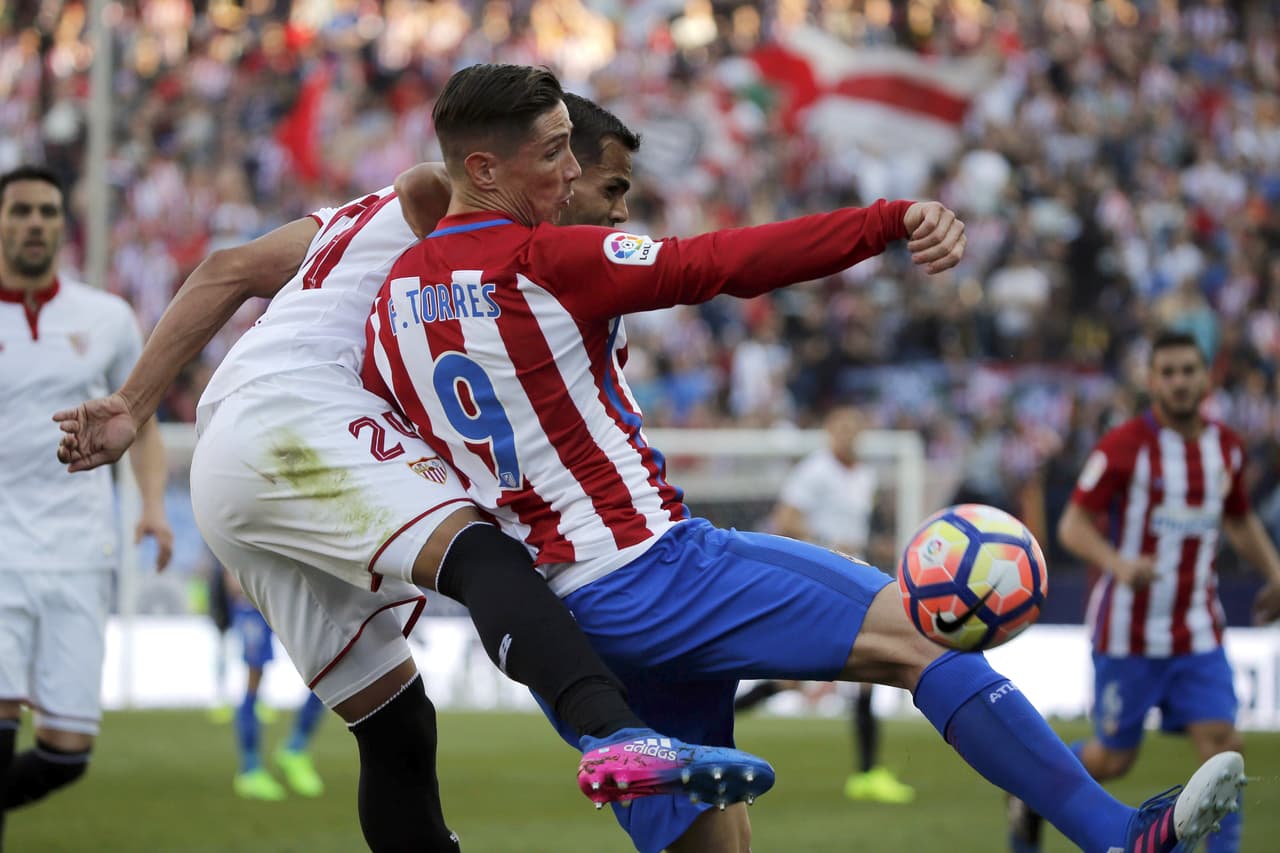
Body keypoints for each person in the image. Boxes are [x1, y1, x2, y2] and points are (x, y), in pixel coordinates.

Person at [363, 62, 1246, 853]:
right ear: (483, 169)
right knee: (921, 636)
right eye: (553, 154)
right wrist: (887, 221)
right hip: (652, 566)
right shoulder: (544, 259)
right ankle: (1115, 833)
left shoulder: (389, 303)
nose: (568, 175)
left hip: (566, 627)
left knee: (714, 840)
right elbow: (722, 261)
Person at [53, 97, 771, 852]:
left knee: (396, 724)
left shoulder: (342, 226)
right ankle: (620, 735)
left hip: (230, 466)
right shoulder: (444, 207)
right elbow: (430, 179)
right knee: (481, 549)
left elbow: (227, 268)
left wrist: (136, 404)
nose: (575, 194)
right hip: (295, 414)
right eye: (566, 170)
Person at [1007, 329, 1280, 853]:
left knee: (1223, 745)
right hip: (1127, 633)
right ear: (1152, 381)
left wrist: (1274, 572)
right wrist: (1118, 563)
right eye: (1168, 373)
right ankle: (1033, 792)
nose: (1179, 382)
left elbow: (1240, 520)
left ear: (1206, 377)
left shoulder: (1226, 449)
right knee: (1114, 759)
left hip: (1198, 630)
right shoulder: (1123, 447)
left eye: (1188, 371)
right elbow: (1072, 527)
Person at [0, 165, 173, 845]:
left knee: (66, 753)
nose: (34, 223)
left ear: (61, 227)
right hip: (2, 552)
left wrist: (153, 504)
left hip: (80, 550)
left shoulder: (106, 319)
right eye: (20, 212)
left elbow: (146, 420)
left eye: (46, 212)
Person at [764, 405, 915, 805]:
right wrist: (827, 540)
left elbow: (854, 531)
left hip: (851, 577)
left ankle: (867, 773)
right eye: (841, 427)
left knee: (855, 677)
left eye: (854, 428)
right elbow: (785, 521)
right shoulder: (814, 471)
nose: (848, 435)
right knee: (788, 679)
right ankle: (867, 773)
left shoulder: (864, 476)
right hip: (816, 578)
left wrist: (869, 546)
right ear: (829, 432)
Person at [222, 567, 327, 801]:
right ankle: (250, 770)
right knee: (253, 680)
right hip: (254, 598)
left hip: (297, 595)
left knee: (329, 668)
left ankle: (295, 749)